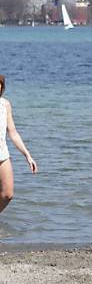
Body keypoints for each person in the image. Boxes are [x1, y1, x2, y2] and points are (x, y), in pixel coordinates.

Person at [0, 75, 38, 217]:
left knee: (7, 194)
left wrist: (27, 155)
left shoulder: (5, 105)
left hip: (2, 155)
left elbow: (13, 132)